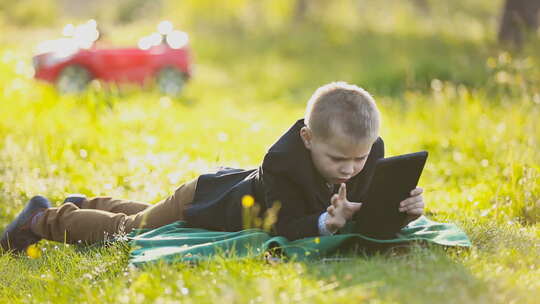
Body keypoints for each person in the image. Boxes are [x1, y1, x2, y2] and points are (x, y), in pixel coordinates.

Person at [0, 82, 425, 254]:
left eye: (361, 157)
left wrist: (404, 206)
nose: (351, 169)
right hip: (205, 200)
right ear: (308, 138)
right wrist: (324, 223)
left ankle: (83, 203)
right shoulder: (280, 166)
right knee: (132, 231)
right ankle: (43, 218)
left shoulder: (367, 153)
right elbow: (285, 225)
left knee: (142, 212)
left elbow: (369, 203)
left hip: (218, 194)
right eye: (338, 159)